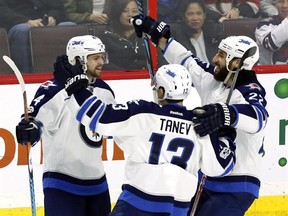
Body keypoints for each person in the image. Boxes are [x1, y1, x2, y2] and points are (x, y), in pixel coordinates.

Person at [52, 61, 237, 216]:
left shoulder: (145, 113)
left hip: (136, 205)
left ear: (162, 92)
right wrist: (226, 136)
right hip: (177, 209)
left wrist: (77, 87)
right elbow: (221, 167)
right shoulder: (202, 124)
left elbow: (98, 118)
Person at [131, 15, 269, 216]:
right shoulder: (216, 80)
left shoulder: (251, 90)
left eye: (222, 55)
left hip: (237, 184)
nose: (215, 58)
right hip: (207, 177)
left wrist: (225, 113)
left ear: (236, 62)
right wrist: (158, 36)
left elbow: (259, 118)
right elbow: (187, 61)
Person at [15, 35, 114, 216]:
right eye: (95, 58)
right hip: (62, 184)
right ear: (78, 60)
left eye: (102, 56)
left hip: (98, 185)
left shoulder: (105, 91)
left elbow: (109, 128)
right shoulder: (53, 89)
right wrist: (30, 129)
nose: (102, 62)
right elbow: (34, 120)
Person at [0, 0, 75, 73]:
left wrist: (53, 17)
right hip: (17, 23)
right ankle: (25, 74)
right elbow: (3, 11)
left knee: (69, 26)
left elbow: (58, 7)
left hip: (45, 24)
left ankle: (69, 72)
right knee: (23, 29)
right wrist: (26, 21)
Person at [159, 0, 222, 66]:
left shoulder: (213, 32)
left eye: (199, 13)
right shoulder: (175, 33)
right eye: (190, 14)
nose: (195, 18)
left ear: (204, 15)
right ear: (183, 16)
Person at [101, 0, 148, 70]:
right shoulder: (107, 38)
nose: (130, 14)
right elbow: (104, 65)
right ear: (118, 13)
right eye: (125, 11)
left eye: (134, 11)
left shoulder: (148, 37)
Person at [255, 0, 288, 65]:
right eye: (281, 1)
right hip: (269, 73)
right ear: (276, 5)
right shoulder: (264, 24)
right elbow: (270, 44)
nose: (285, 6)